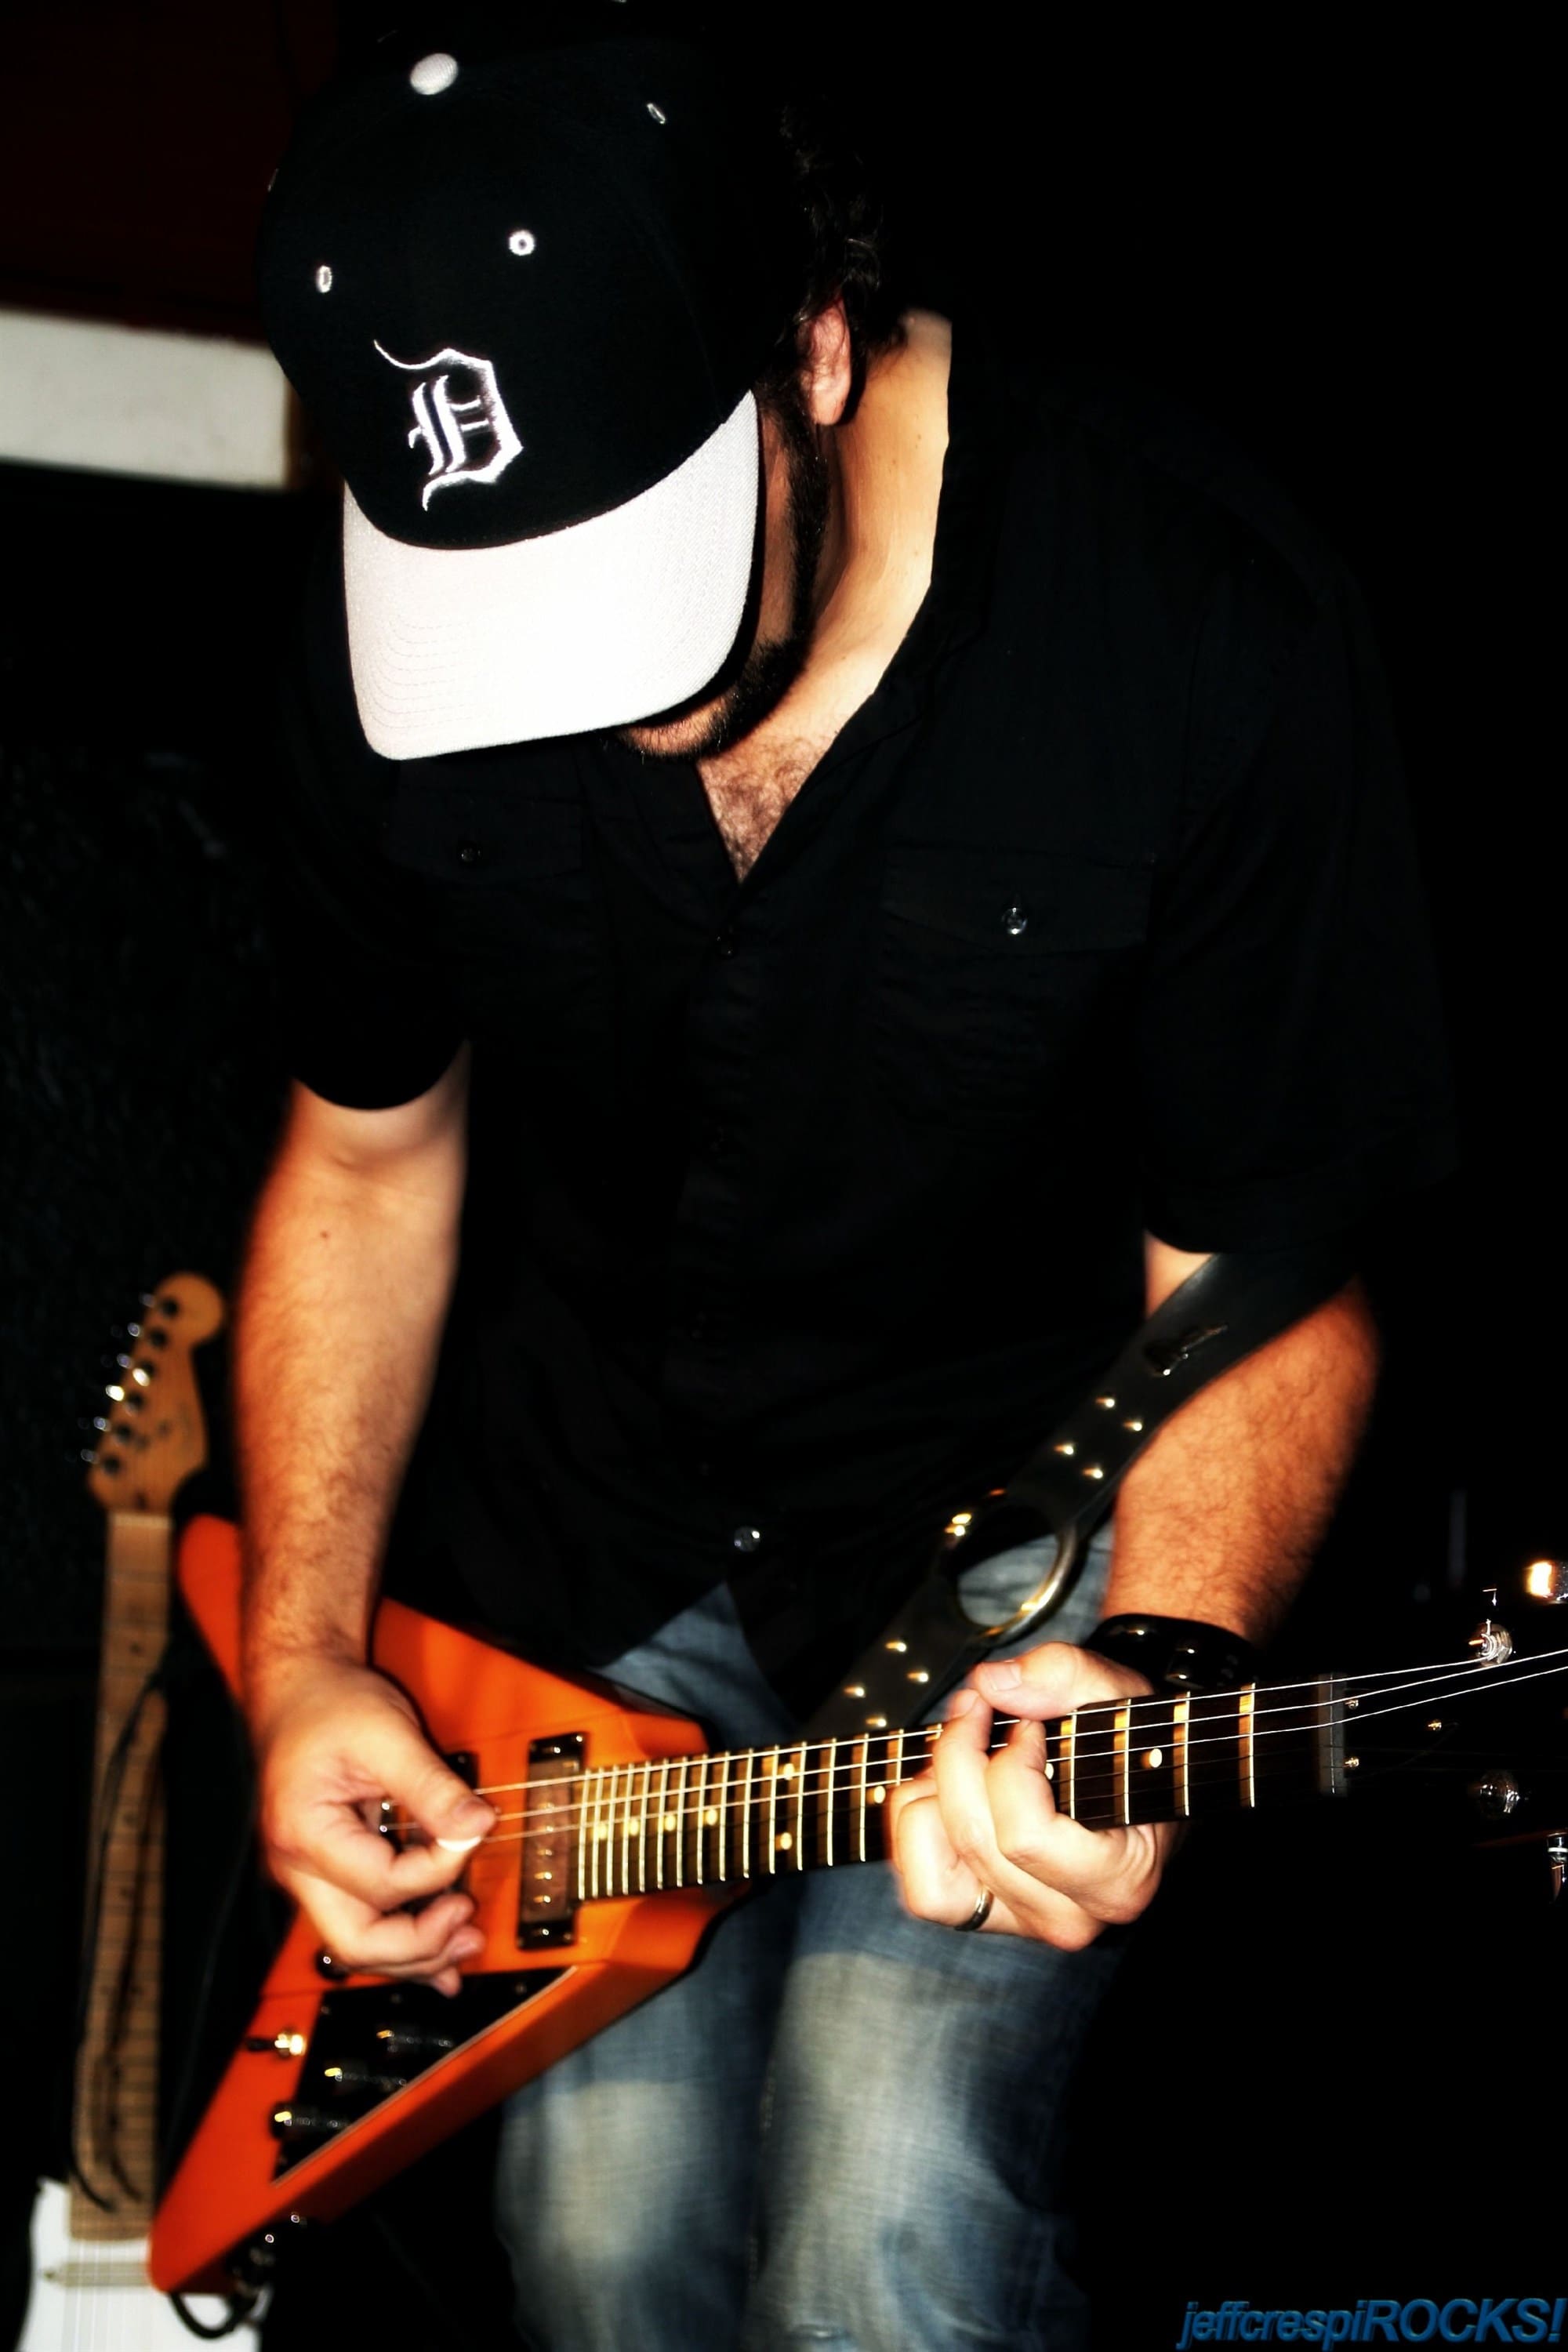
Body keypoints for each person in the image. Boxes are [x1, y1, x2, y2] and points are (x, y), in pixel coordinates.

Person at [237, 16, 1453, 2347]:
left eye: (632, 576)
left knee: (884, 2227)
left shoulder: (1193, 608)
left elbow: (1264, 1266)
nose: (590, 700)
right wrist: (301, 1659)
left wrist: (1158, 1648)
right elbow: (366, 1163)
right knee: (599, 2241)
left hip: (1025, 1528)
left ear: (809, 350)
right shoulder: (362, 642)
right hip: (593, 1536)